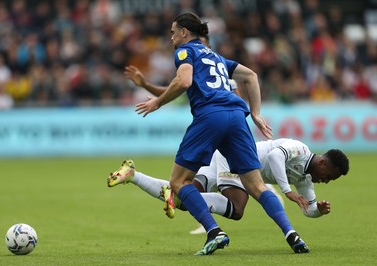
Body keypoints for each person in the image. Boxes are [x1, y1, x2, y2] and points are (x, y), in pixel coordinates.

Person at [119, 12, 308, 255]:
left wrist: (157, 103)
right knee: (256, 185)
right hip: (237, 117)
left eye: (173, 31)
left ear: (185, 33)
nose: (171, 37)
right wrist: (256, 113)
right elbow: (251, 76)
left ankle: (214, 232)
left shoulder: (184, 52)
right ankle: (292, 234)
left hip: (211, 116)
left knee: (178, 182)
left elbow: (184, 82)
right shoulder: (216, 57)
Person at [107, 138, 350, 233]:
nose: (327, 181)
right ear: (322, 161)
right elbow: (276, 157)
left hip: (226, 160)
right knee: (237, 208)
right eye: (330, 175)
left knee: (184, 199)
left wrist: (318, 210)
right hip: (234, 160)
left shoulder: (306, 180)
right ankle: (163, 187)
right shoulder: (300, 149)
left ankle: (132, 174)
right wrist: (286, 191)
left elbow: (307, 208)